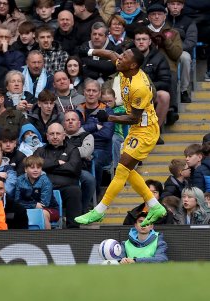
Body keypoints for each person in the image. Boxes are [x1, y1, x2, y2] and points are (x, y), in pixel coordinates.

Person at [74, 47, 166, 227]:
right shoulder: (125, 67)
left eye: (124, 57)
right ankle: (154, 206)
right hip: (136, 129)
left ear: (132, 65)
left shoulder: (139, 87)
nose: (119, 58)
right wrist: (89, 50)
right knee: (127, 170)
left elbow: (134, 118)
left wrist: (108, 117)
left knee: (122, 169)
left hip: (146, 131)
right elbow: (110, 54)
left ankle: (99, 211)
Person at [34, 123, 82, 228]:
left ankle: (73, 228)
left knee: (75, 191)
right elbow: (34, 166)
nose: (55, 137)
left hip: (67, 187)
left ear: (64, 135)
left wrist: (48, 167)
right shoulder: (40, 151)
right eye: (52, 134)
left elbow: (73, 169)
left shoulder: (73, 150)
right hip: (44, 188)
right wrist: (57, 163)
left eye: (58, 134)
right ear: (47, 136)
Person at [14, 155, 59, 229]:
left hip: (49, 209)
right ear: (25, 169)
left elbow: (44, 204)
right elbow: (17, 201)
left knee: (42, 214)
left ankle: (47, 238)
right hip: (27, 208)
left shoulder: (45, 181)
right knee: (16, 213)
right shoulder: (20, 180)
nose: (36, 170)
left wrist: (28, 205)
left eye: (38, 168)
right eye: (32, 168)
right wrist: (33, 205)